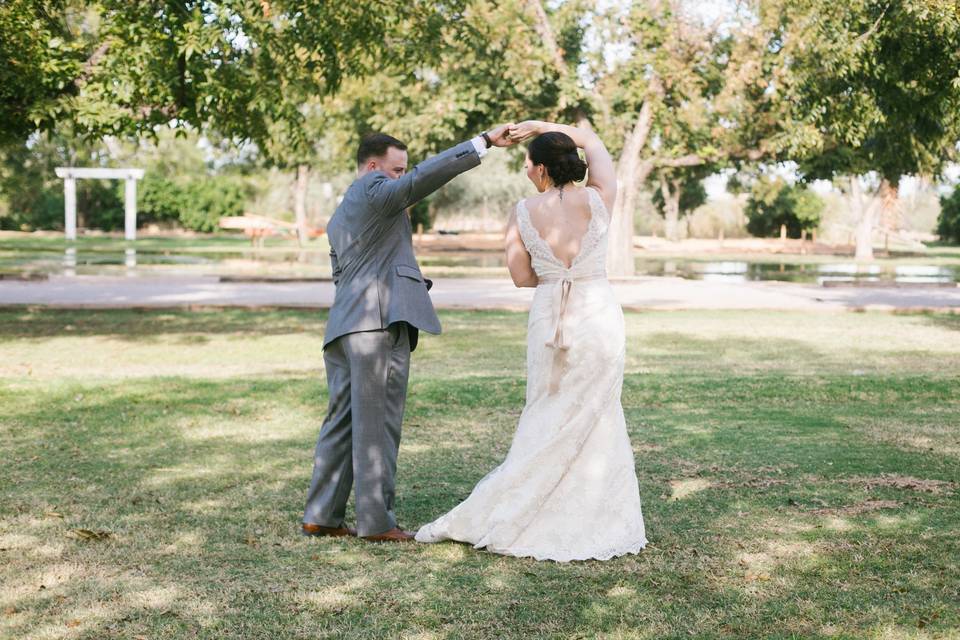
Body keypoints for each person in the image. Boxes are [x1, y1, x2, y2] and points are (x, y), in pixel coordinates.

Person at [415, 120, 647, 561]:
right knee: (597, 412)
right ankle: (592, 517)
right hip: (597, 312)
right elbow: (592, 140)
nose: (525, 169)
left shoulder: (521, 212)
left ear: (541, 170)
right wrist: (544, 127)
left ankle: (523, 508)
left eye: (528, 162)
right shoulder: (600, 198)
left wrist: (557, 274)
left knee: (547, 406)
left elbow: (521, 277)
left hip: (549, 314)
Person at [302, 125, 516, 542]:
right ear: (373, 166)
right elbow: (421, 180)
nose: (402, 177)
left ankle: (322, 514)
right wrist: (482, 143)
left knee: (342, 422)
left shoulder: (342, 211)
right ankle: (377, 523)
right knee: (378, 424)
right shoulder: (374, 190)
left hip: (345, 326)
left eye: (402, 171)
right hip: (377, 324)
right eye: (396, 170)